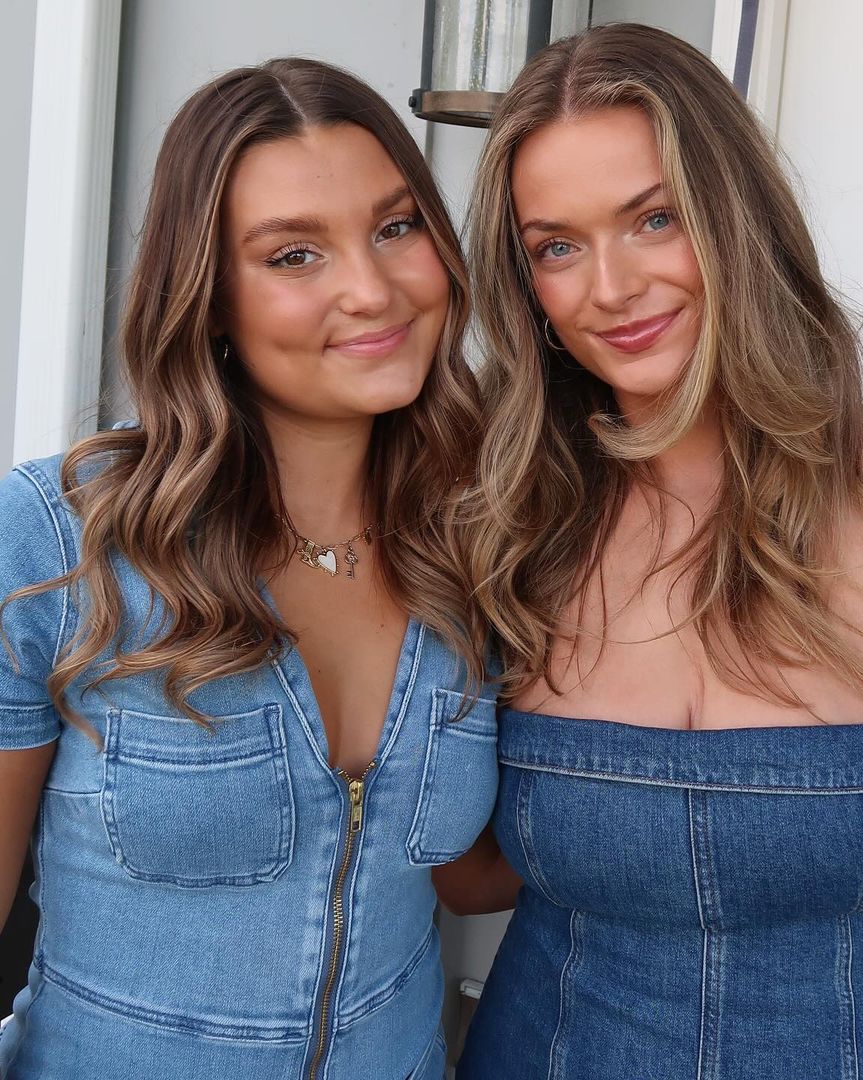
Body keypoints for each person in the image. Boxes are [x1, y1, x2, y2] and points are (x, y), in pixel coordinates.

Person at [442, 23, 863, 1080]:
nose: (611, 287)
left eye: (654, 218)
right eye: (557, 246)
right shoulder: (505, 516)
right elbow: (464, 873)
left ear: (735, 215)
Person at [0, 58, 496, 1079]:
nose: (372, 290)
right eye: (294, 255)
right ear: (210, 297)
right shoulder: (61, 539)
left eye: (397, 227)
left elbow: (471, 876)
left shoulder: (483, 537)